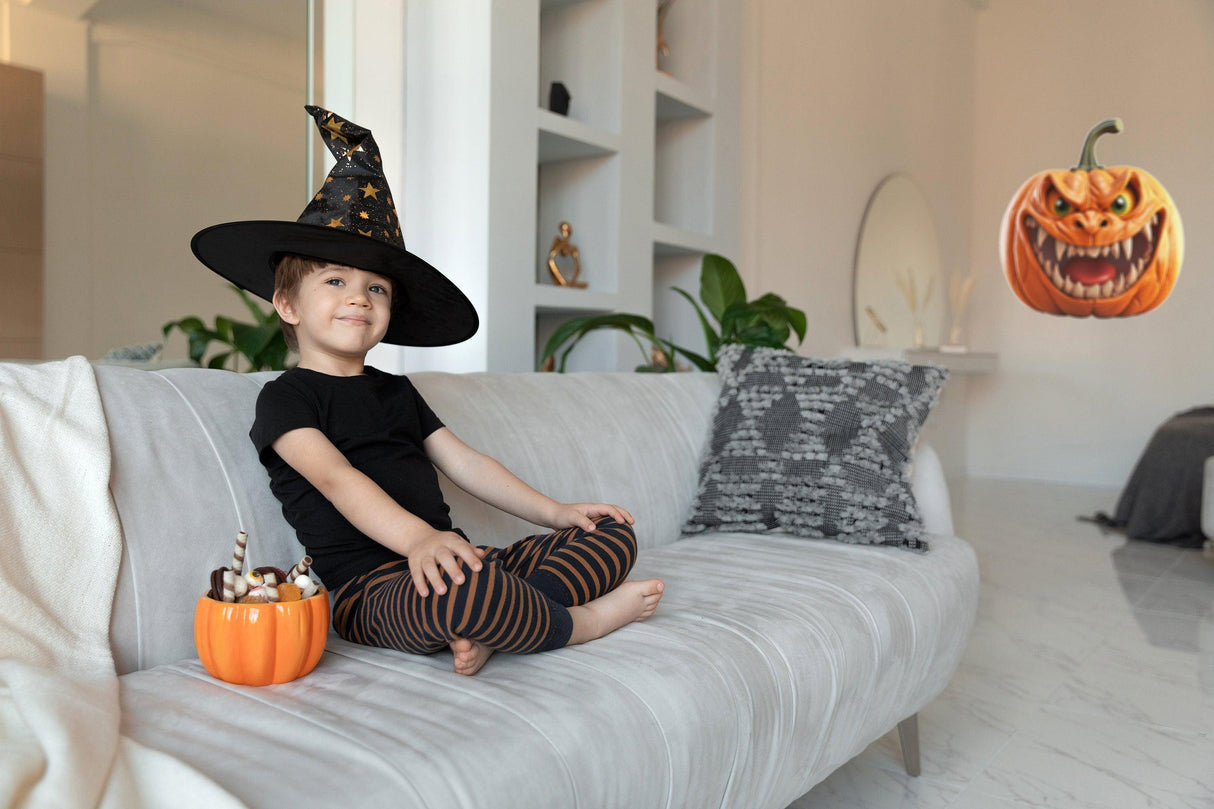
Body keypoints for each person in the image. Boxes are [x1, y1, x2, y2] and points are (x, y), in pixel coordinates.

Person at [190, 106, 663, 676]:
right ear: (286, 304)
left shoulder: (397, 392)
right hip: (375, 591)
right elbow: (339, 482)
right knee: (462, 596)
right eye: (335, 281)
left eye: (377, 288)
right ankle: (578, 622)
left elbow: (467, 463)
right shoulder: (286, 399)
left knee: (610, 535)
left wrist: (555, 511)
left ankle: (500, 622)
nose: (359, 297)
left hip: (459, 558)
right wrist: (418, 542)